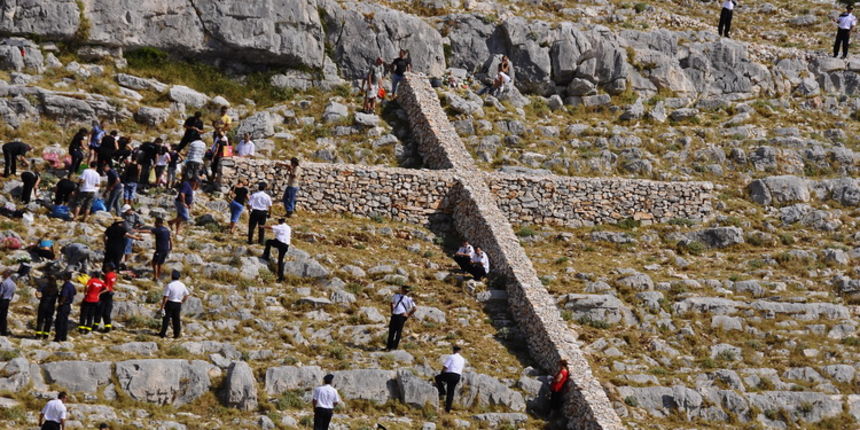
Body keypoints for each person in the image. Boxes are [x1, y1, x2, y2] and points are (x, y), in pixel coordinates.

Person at [158, 270, 190, 338]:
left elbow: (165, 297)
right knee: (176, 319)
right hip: (178, 303)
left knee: (166, 319)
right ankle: (176, 334)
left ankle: (162, 334)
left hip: (170, 302)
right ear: (179, 277)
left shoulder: (170, 285)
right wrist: (182, 301)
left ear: (172, 277)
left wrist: (162, 306)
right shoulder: (182, 285)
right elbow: (187, 295)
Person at [385, 285, 416, 351]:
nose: (405, 292)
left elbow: (414, 308)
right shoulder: (396, 296)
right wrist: (392, 311)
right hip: (395, 315)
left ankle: (394, 347)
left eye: (406, 291)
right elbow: (392, 303)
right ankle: (389, 347)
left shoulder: (409, 299)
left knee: (398, 332)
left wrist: (407, 314)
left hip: (401, 316)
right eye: (404, 290)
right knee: (391, 331)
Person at [435, 345, 465, 413]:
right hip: (457, 376)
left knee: (437, 378)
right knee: (451, 392)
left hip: (450, 374)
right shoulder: (462, 359)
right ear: (460, 351)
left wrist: (442, 373)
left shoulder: (451, 356)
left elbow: (445, 367)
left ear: (453, 350)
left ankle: (442, 391)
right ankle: (447, 409)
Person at [261, 218, 291, 282]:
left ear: (279, 221)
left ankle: (266, 256)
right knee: (280, 260)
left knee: (268, 242)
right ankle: (281, 277)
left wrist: (262, 226)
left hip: (280, 243)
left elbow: (271, 227)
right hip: (286, 245)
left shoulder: (280, 226)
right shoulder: (288, 227)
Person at [34, 273, 58, 339]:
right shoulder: (56, 289)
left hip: (43, 305)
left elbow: (37, 292)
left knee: (40, 320)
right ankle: (46, 335)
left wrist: (39, 298)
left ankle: (38, 335)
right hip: (51, 307)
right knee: (48, 321)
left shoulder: (45, 286)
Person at [54, 272, 75, 342]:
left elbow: (64, 295)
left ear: (66, 277)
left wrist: (61, 302)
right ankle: (63, 337)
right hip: (68, 306)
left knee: (59, 322)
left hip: (63, 306)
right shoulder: (71, 285)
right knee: (65, 322)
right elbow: (75, 292)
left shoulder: (66, 286)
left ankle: (58, 337)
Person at [0, 269, 16, 336]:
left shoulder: (3, 283)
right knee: (4, 316)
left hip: (2, 300)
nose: (2, 275)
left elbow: (0, 293)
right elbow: (12, 294)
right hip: (7, 301)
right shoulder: (13, 284)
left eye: (3, 274)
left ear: (6, 275)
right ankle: (3, 331)